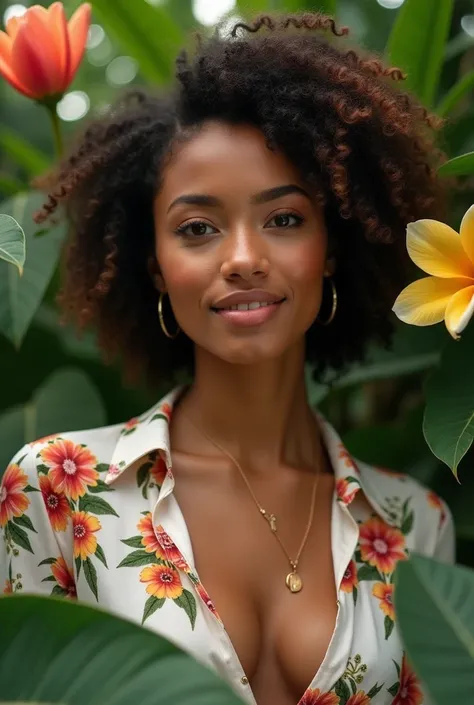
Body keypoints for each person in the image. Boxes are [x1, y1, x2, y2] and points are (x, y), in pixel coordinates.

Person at [0, 12, 454, 705]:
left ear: (330, 247)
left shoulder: (414, 522)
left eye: (284, 219)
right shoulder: (57, 492)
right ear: (154, 265)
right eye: (198, 228)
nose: (243, 258)